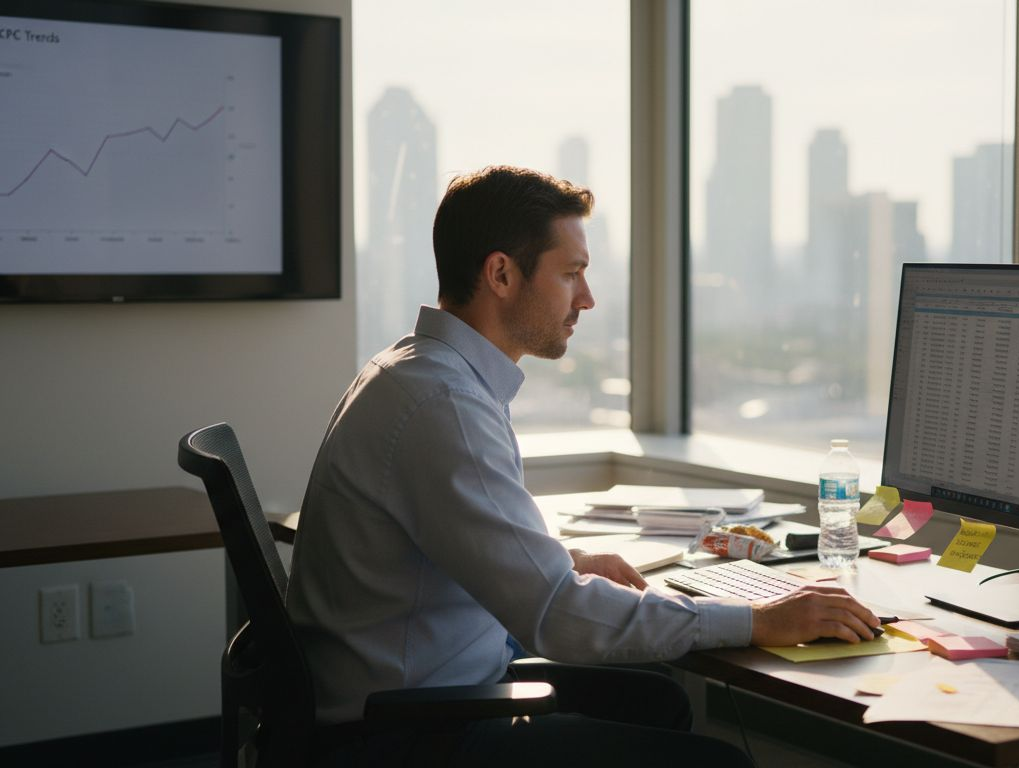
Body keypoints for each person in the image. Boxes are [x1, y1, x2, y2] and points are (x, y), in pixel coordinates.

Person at [287, 165, 880, 766]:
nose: (587, 298)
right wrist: (757, 620)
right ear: (501, 274)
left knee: (658, 704)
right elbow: (558, 617)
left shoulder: (415, 371)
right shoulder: (445, 405)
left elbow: (453, 544)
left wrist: (561, 563)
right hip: (405, 733)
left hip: (429, 690)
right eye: (571, 274)